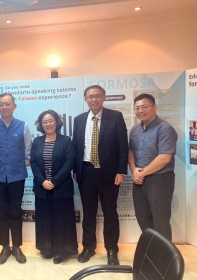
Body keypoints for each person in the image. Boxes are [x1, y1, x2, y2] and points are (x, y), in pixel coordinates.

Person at [72, 85, 128, 265]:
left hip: (110, 173)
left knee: (110, 211)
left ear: (104, 97)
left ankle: (112, 249)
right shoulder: (79, 120)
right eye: (90, 96)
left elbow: (122, 146)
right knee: (88, 212)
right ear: (85, 99)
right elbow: (76, 146)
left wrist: (121, 171)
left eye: (97, 96)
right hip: (85, 171)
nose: (94, 99)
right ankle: (88, 247)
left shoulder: (115, 117)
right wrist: (75, 170)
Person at [0, 93, 32, 264]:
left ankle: (17, 246)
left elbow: (28, 149)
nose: (5, 107)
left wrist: (25, 160)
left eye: (8, 104)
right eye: (1, 105)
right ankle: (5, 246)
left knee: (16, 211)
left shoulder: (23, 126)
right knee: (2, 212)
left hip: (17, 175)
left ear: (14, 106)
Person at [30, 110, 78, 264]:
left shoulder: (66, 140)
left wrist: (55, 181)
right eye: (44, 121)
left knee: (61, 219)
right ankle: (47, 248)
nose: (48, 124)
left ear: (56, 122)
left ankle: (62, 250)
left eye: (50, 121)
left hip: (61, 187)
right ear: (40, 124)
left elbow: (69, 163)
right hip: (42, 187)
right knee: (45, 218)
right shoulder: (37, 142)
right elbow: (34, 163)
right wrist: (43, 181)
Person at [128, 93, 178, 241]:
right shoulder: (135, 129)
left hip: (160, 179)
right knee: (143, 218)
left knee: (160, 220)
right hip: (139, 180)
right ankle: (151, 253)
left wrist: (141, 174)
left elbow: (164, 158)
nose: (140, 111)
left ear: (155, 107)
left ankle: (165, 260)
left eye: (144, 107)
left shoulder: (165, 128)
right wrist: (134, 170)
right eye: (137, 108)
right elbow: (130, 152)